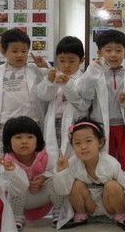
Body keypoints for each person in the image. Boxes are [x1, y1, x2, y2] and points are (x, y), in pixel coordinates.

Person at [52, 117, 125, 232]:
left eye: (88, 141)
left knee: (112, 185)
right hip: (89, 205)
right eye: (77, 143)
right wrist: (62, 172)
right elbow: (62, 191)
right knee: (76, 185)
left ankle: (120, 215)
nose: (83, 147)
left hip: (109, 205)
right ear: (72, 146)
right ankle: (81, 215)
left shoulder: (111, 164)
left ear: (100, 142)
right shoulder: (72, 163)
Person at [77, 29, 125, 186]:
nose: (113, 55)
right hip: (100, 126)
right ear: (99, 53)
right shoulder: (94, 74)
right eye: (108, 50)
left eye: (118, 50)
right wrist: (92, 71)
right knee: (103, 162)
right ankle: (107, 195)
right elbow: (84, 93)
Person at [0, 28, 47, 155]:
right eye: (14, 51)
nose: (20, 55)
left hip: (32, 122)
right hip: (6, 123)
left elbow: (49, 83)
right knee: (6, 158)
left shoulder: (34, 69)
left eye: (24, 51)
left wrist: (44, 66)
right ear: (3, 52)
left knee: (35, 157)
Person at [1, 116, 62, 230]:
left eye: (30, 137)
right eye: (18, 137)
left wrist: (44, 177)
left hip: (43, 197)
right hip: (21, 201)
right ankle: (17, 217)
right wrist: (14, 172)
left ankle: (58, 212)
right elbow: (8, 188)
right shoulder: (7, 163)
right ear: (8, 141)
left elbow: (53, 172)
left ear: (37, 140)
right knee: (16, 188)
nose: (24, 141)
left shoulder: (45, 157)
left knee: (57, 180)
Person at [36, 36, 89, 165]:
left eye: (71, 61)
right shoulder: (55, 76)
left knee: (73, 156)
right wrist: (50, 81)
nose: (66, 65)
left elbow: (83, 104)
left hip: (74, 123)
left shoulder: (83, 80)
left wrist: (68, 86)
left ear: (82, 60)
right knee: (54, 155)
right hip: (55, 122)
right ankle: (55, 175)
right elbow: (44, 96)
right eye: (61, 60)